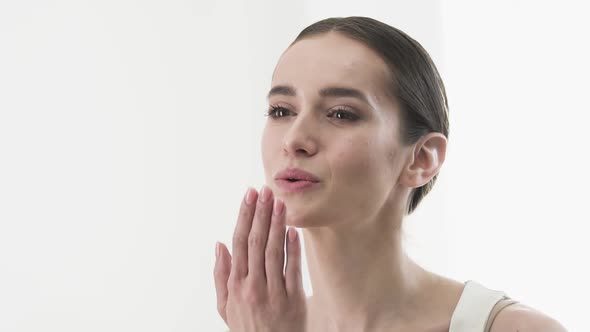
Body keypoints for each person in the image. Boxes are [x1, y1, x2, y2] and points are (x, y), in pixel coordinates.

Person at [213, 16, 567, 332]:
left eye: (340, 113)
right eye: (280, 110)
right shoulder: (256, 324)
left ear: (421, 158)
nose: (294, 140)